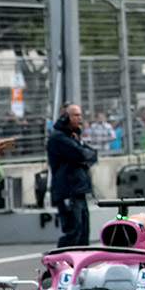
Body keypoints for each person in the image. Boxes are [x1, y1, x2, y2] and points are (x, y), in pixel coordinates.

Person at [48, 103, 98, 247]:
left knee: (83, 235)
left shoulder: (73, 137)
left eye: (80, 115)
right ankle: (58, 266)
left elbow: (92, 155)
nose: (79, 118)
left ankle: (80, 267)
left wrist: (82, 157)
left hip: (79, 191)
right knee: (73, 234)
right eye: (76, 115)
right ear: (65, 117)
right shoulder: (58, 138)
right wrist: (82, 157)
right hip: (67, 192)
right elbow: (81, 154)